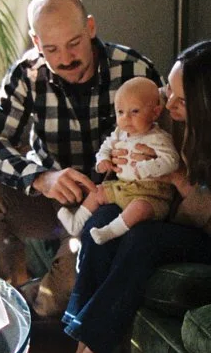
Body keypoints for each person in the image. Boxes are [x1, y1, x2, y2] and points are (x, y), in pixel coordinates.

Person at [38, 39, 211, 353]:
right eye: (169, 91)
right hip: (164, 213)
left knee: (144, 239)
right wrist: (123, 160)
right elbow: (131, 129)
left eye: (179, 98)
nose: (167, 102)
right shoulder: (169, 113)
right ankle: (82, 348)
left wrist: (178, 179)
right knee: (100, 222)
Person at [0, 0, 160, 318]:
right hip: (50, 201)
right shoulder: (27, 73)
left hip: (110, 206)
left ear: (90, 28)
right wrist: (40, 178)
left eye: (74, 44)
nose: (66, 59)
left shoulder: (135, 71)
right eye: (51, 49)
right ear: (37, 43)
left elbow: (168, 141)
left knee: (58, 296)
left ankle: (23, 310)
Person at [57, 76, 180, 245]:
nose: (126, 118)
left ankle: (110, 231)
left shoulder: (158, 138)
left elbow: (172, 161)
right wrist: (103, 160)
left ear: (155, 112)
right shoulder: (119, 133)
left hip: (150, 195)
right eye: (120, 112)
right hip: (122, 188)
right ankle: (76, 223)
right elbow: (105, 147)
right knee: (97, 191)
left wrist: (148, 167)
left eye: (134, 111)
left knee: (139, 209)